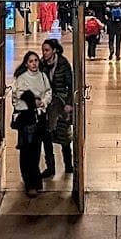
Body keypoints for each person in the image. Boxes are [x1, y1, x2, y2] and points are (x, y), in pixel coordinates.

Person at [10, 51, 52, 197]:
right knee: (27, 151)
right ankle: (29, 181)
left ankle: (36, 178)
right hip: (27, 119)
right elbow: (17, 97)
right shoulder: (22, 79)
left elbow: (48, 91)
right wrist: (32, 103)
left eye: (35, 61)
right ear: (26, 63)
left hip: (39, 117)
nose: (34, 64)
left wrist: (43, 103)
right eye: (31, 61)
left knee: (35, 150)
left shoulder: (42, 76)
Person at [40, 39, 74, 178]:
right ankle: (50, 167)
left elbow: (71, 84)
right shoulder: (42, 64)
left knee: (63, 135)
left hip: (61, 105)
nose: (44, 53)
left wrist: (69, 103)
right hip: (47, 106)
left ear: (54, 50)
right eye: (43, 50)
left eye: (47, 50)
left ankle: (69, 165)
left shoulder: (63, 64)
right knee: (47, 136)